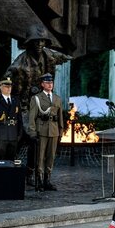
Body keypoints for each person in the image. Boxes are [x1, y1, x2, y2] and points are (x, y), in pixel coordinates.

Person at [4, 24, 71, 186]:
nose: (40, 45)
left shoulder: (48, 55)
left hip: (42, 104)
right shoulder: (20, 62)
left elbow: (62, 57)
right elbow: (6, 80)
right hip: (25, 105)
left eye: (43, 41)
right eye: (36, 41)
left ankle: (31, 173)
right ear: (29, 43)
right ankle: (9, 168)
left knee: (36, 140)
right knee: (22, 138)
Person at [29, 73, 63, 192]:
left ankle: (47, 180)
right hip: (41, 130)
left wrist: (61, 130)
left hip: (54, 130)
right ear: (42, 84)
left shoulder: (57, 98)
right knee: (40, 157)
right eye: (47, 83)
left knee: (51, 157)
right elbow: (32, 116)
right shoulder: (36, 98)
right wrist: (32, 132)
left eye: (51, 83)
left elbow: (60, 116)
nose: (50, 85)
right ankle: (39, 181)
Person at [0, 77, 22, 160]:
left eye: (10, 86)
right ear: (1, 87)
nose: (9, 88)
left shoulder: (16, 100)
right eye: (6, 86)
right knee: (0, 161)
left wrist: (20, 133)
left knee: (12, 160)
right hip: (1, 134)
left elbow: (19, 118)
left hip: (13, 133)